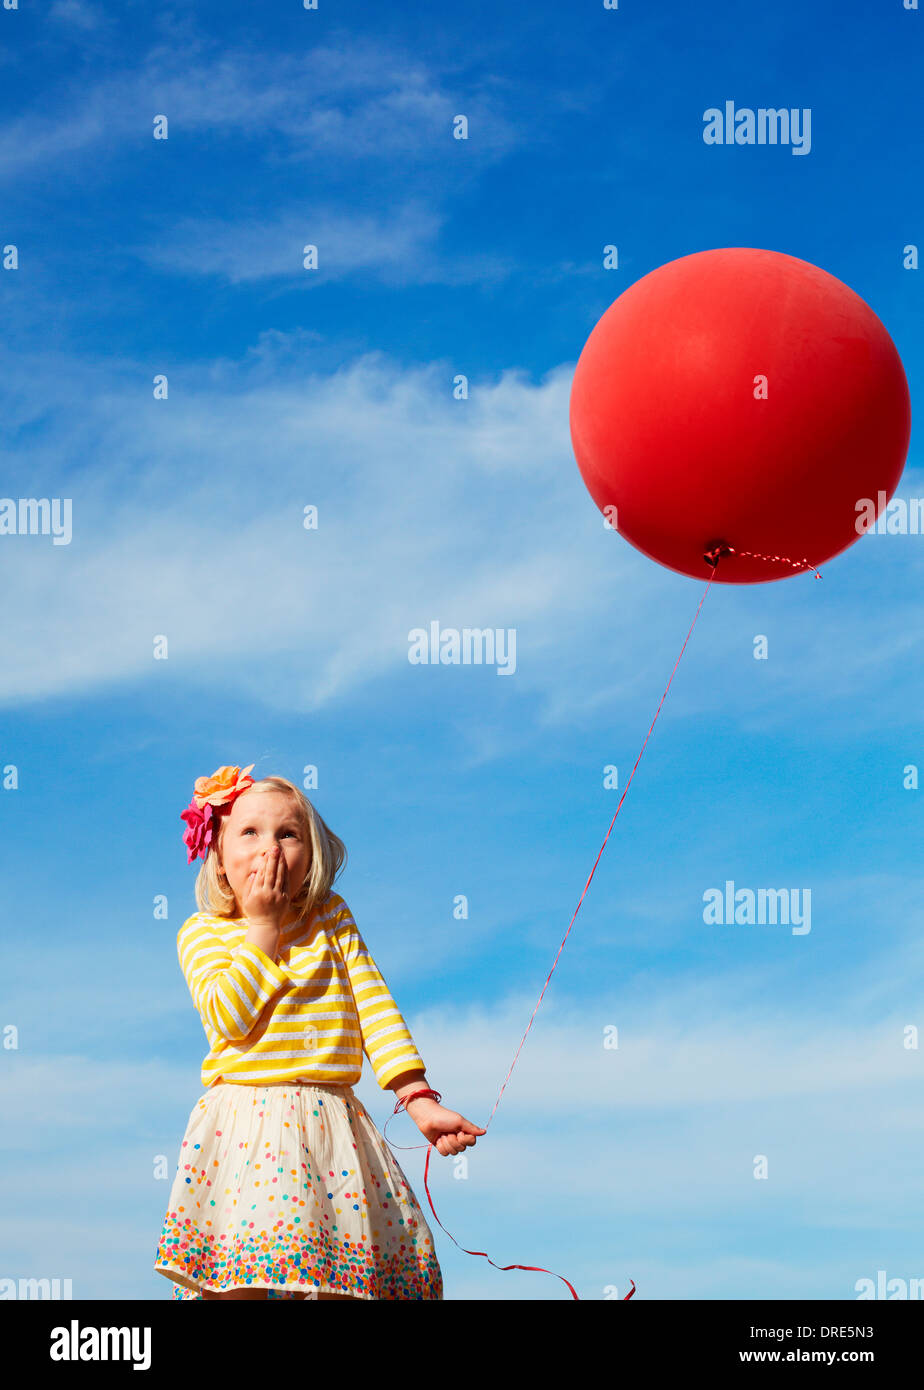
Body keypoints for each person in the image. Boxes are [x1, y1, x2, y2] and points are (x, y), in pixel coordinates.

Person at [154, 763, 485, 1300]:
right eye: (250, 832)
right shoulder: (204, 932)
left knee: (344, 1280)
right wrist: (262, 928)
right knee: (239, 1281)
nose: (271, 848)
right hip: (244, 1129)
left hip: (332, 1125)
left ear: (312, 857)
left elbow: (372, 1004)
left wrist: (417, 1098)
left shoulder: (330, 917)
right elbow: (228, 1017)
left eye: (289, 833)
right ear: (218, 860)